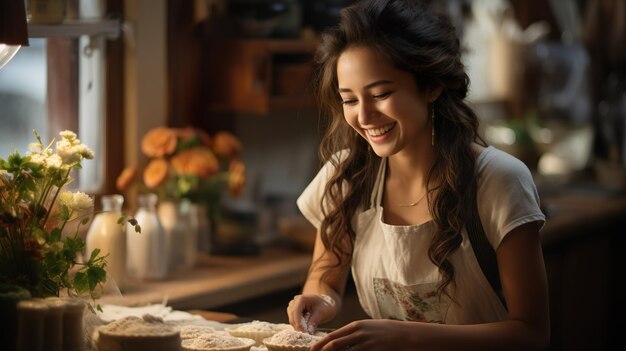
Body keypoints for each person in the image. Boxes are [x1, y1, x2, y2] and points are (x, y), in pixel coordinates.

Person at [286, 0, 550, 350]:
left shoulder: (497, 180)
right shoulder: (347, 174)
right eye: (349, 99)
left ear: (431, 86)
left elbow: (532, 334)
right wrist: (322, 301)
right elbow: (326, 281)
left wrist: (407, 335)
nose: (364, 116)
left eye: (381, 94)